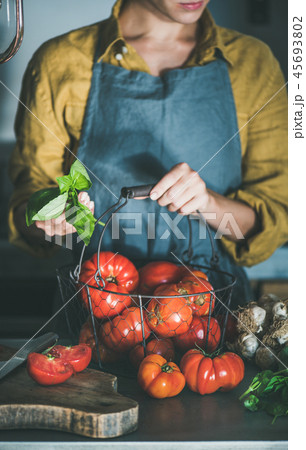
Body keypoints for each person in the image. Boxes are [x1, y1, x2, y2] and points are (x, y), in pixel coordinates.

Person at [8, 0, 288, 305]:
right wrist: (52, 219)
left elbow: (274, 220)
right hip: (95, 310)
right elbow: (28, 204)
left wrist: (208, 203)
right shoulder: (60, 61)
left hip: (213, 314)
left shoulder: (253, 62)